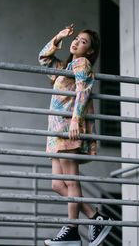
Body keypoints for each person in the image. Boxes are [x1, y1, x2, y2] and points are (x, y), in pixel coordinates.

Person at [38, 24, 112, 246]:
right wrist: (58, 37)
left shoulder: (82, 63)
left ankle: (71, 230)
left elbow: (83, 90)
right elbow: (43, 59)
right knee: (58, 185)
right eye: (76, 38)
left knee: (70, 180)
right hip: (56, 130)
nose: (77, 42)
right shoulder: (67, 66)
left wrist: (76, 120)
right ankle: (96, 218)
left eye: (83, 42)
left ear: (90, 51)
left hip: (68, 128)